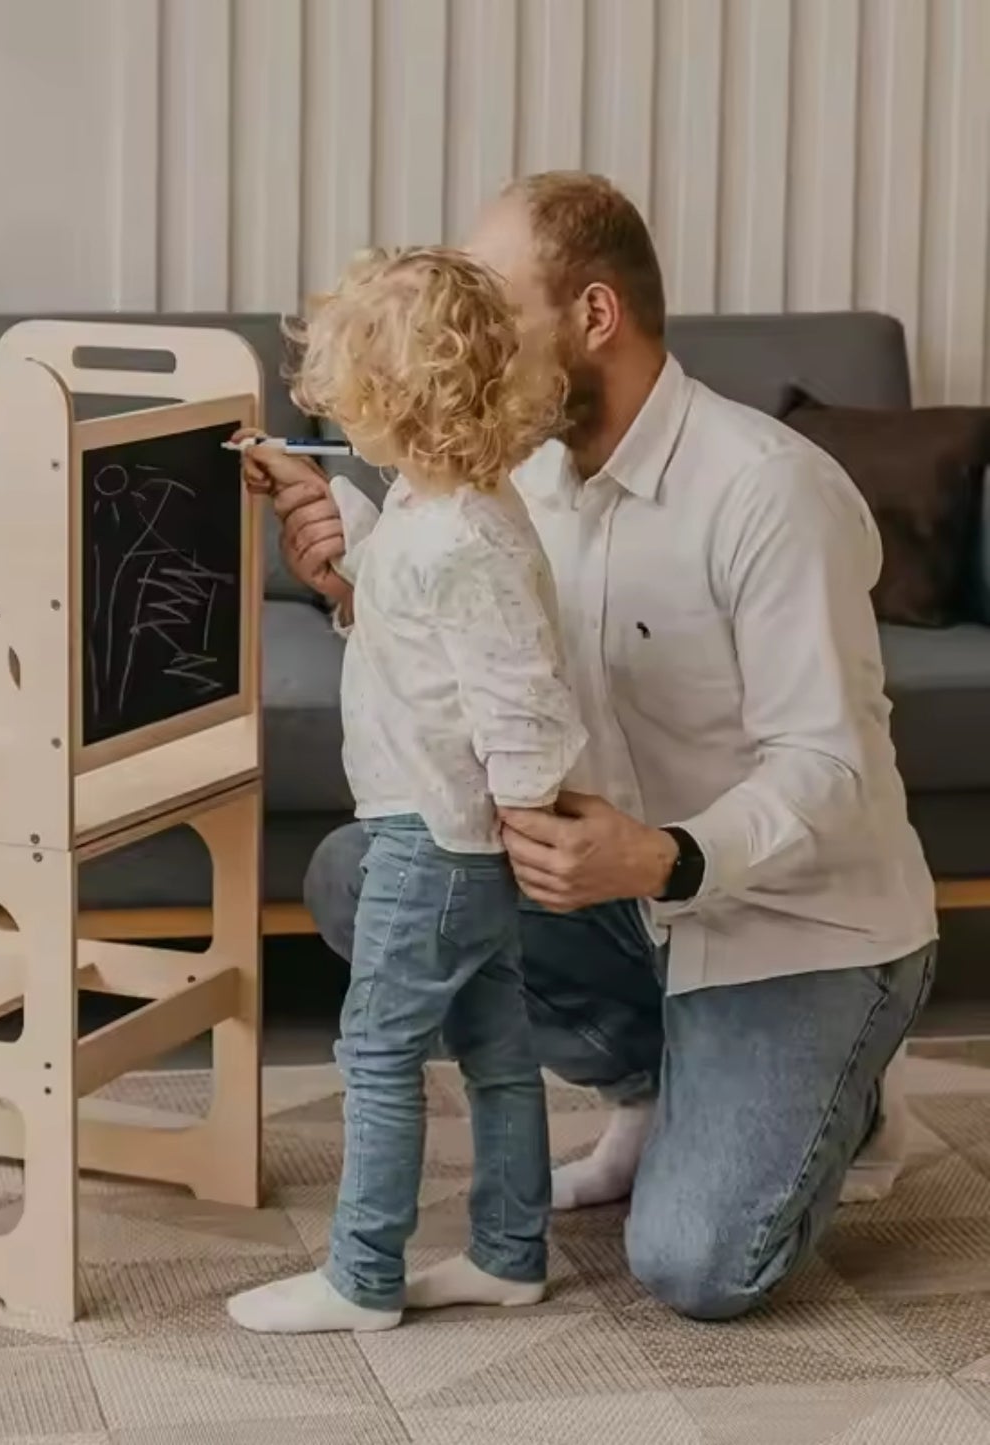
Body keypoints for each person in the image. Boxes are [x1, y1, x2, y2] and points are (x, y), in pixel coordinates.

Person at [257, 172, 937, 1323]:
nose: (461, 334)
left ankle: (847, 1094)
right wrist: (356, 579)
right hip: (617, 902)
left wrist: (664, 857)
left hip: (789, 919)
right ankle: (657, 1079)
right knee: (366, 877)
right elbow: (479, 657)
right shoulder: (509, 476)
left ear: (592, 317)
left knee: (695, 1265)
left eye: (490, 302)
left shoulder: (765, 490)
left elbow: (828, 769)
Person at [227, 247, 587, 1334]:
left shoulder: (464, 540)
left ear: (393, 399)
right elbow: (389, 601)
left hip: (434, 839)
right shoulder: (446, 507)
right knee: (493, 1045)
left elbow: (519, 689)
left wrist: (522, 810)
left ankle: (361, 1272)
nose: (331, 419)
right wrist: (313, 489)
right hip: (445, 833)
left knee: (377, 1049)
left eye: (344, 405)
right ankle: (506, 1252)